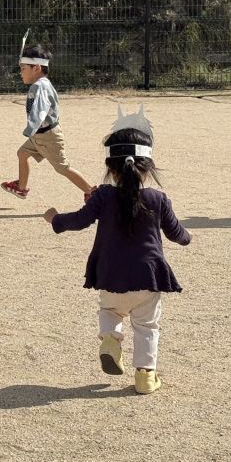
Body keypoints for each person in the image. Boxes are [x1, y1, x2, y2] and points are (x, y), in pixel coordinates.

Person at [43, 106, 191, 395]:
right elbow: (175, 233)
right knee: (147, 326)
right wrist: (187, 238)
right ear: (149, 167)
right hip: (148, 278)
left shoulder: (103, 196)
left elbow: (78, 221)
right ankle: (145, 376)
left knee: (110, 310)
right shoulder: (158, 198)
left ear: (110, 167)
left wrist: (55, 219)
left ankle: (111, 339)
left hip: (110, 274)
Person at [0, 44, 93, 202]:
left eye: (23, 68)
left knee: (63, 168)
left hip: (47, 136)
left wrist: (31, 127)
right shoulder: (41, 84)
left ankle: (92, 193)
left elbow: (40, 110)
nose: (20, 72)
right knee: (22, 153)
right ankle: (21, 189)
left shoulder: (39, 87)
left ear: (36, 68)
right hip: (40, 135)